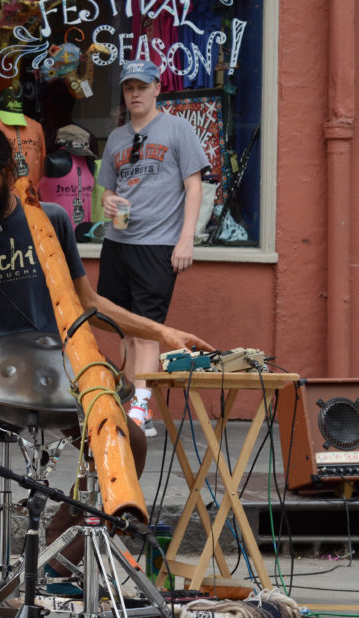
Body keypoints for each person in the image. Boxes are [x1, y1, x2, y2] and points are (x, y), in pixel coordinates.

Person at [0, 122, 213, 566]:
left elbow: (86, 300)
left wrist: (162, 333)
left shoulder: (48, 219)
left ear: (8, 173)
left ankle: (60, 551)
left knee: (127, 440)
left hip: (49, 365)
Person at [96, 59, 208, 436]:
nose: (135, 94)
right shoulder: (116, 138)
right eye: (129, 88)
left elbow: (195, 187)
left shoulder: (178, 129)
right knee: (125, 329)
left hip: (158, 244)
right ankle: (129, 401)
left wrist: (186, 239)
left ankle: (142, 411)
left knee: (147, 331)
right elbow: (109, 191)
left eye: (142, 87)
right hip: (117, 242)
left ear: (157, 88)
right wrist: (109, 202)